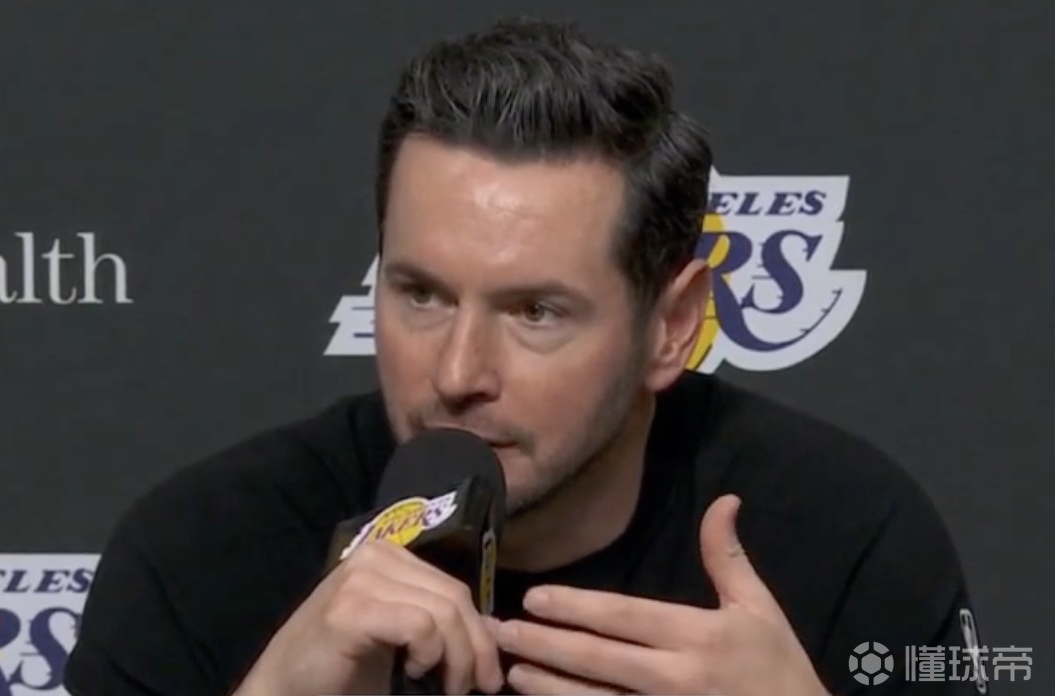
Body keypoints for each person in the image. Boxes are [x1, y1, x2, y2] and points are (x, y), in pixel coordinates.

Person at [64, 16, 991, 696]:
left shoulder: (846, 540)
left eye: (536, 312)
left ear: (673, 325)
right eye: (421, 294)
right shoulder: (203, 556)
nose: (457, 373)